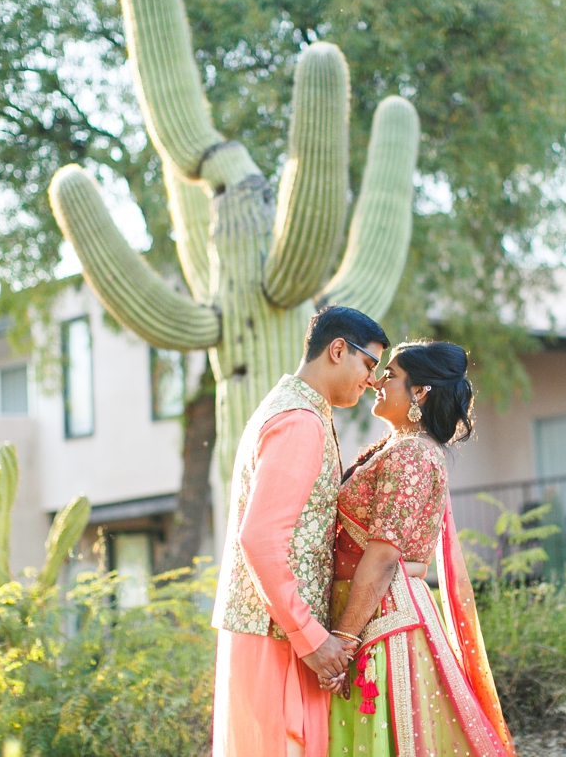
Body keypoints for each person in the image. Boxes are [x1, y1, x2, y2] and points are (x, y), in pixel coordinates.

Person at [212, 306, 390, 757]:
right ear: (337, 350)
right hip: (277, 637)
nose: (372, 380)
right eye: (369, 364)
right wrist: (311, 638)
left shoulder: (298, 410)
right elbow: (261, 540)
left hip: (277, 630)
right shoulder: (300, 421)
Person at [325, 340, 516, 757]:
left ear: (421, 391)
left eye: (391, 375)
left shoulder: (411, 454)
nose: (377, 380)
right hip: (377, 611)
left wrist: (342, 641)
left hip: (380, 620)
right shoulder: (402, 449)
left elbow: (383, 556)